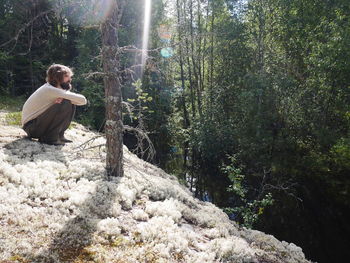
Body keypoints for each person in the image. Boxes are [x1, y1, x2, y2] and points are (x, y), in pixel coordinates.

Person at [21, 64, 87, 145]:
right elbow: (83, 100)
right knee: (66, 102)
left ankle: (59, 135)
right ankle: (50, 138)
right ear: (57, 77)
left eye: (70, 76)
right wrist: (66, 98)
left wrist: (67, 98)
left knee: (70, 101)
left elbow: (80, 102)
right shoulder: (50, 89)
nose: (70, 79)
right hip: (32, 128)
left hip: (36, 125)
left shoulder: (55, 89)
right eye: (66, 76)